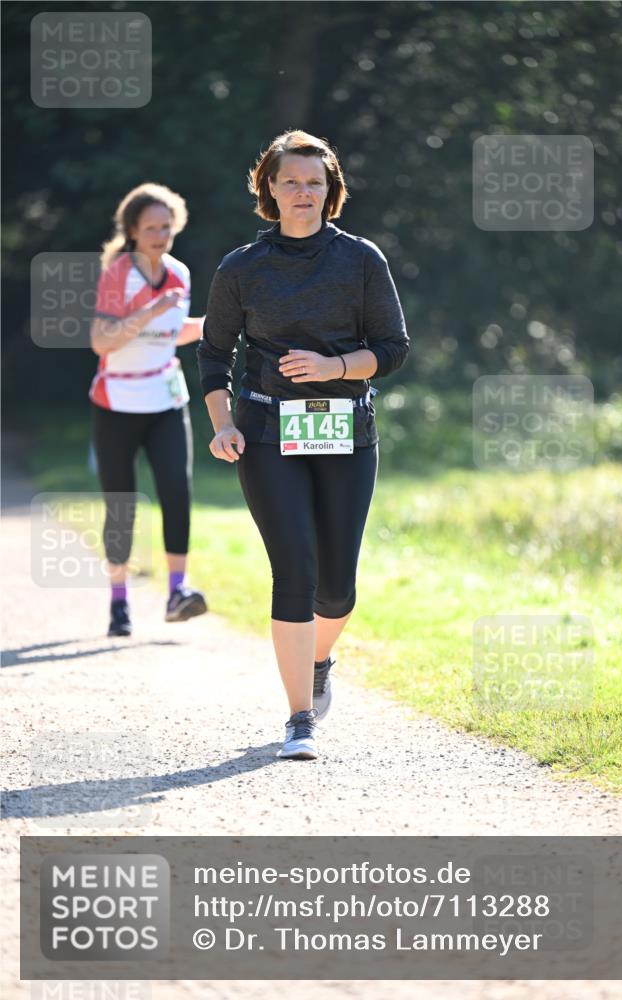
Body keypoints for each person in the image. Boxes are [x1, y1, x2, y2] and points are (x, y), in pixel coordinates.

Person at [198, 130, 409, 760]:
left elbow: (393, 350)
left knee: (336, 588)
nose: (303, 192)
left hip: (346, 428)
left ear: (331, 190)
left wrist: (333, 367)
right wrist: (222, 424)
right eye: (290, 180)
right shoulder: (241, 267)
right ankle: (298, 720)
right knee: (294, 571)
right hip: (264, 430)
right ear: (269, 187)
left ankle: (317, 662)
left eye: (314, 181)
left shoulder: (362, 259)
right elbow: (213, 355)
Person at [90, 182, 207, 637]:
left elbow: (171, 332)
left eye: (166, 226)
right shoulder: (118, 275)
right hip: (117, 402)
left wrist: (221, 328)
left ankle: (177, 592)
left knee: (177, 492)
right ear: (133, 232)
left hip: (165, 399)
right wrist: (150, 308)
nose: (160, 235)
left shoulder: (179, 272)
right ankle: (119, 603)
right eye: (151, 228)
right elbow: (102, 341)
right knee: (121, 506)